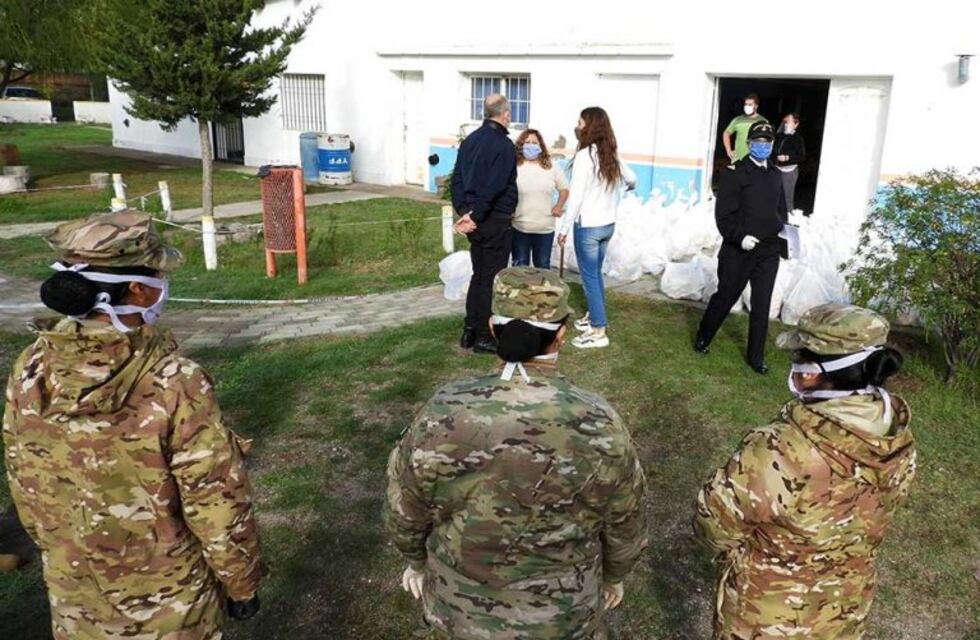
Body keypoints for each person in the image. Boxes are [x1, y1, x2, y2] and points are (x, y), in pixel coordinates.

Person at [2, 211, 262, 639]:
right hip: (170, 609)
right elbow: (217, 503)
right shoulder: (175, 382)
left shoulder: (31, 366)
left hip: (75, 596)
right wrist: (242, 583)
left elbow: (24, 481)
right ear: (140, 290)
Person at [384, 267, 648, 639]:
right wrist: (615, 577)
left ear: (493, 327)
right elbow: (626, 519)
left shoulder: (442, 412)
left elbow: (405, 506)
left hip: (460, 614)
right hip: (562, 616)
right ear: (561, 334)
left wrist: (415, 562)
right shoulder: (600, 421)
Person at [695, 303, 916, 640]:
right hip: (846, 609)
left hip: (766, 618)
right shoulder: (897, 436)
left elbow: (714, 524)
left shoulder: (780, 449)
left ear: (811, 371)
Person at [695, 120, 787, 374]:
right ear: (748, 145)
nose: (762, 147)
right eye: (757, 143)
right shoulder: (736, 173)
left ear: (771, 145)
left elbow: (781, 211)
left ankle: (755, 356)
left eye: (766, 143)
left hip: (768, 251)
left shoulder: (775, 174)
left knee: (762, 304)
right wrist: (739, 237)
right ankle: (704, 335)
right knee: (726, 295)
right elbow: (723, 215)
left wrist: (784, 236)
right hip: (739, 250)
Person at [556, 107, 636, 349]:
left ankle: (599, 330)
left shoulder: (585, 156)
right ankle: (593, 315)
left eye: (580, 122)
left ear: (589, 126)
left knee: (589, 277)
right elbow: (632, 179)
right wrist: (624, 190)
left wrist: (563, 229)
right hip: (607, 225)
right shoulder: (610, 153)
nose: (577, 126)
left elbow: (577, 197)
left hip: (589, 226)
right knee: (595, 274)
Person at [451, 93, 519, 354]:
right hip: (492, 219)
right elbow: (495, 186)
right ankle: (483, 335)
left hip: (475, 219)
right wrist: (475, 215)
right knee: (489, 278)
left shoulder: (470, 141)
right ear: (506, 114)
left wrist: (464, 211)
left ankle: (469, 330)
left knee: (479, 275)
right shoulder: (503, 145)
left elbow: (457, 179)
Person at [511, 128, 569, 268]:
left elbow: (564, 189)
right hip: (520, 227)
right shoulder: (514, 165)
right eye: (527, 142)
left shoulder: (551, 166)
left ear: (540, 146)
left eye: (534, 142)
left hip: (544, 228)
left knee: (542, 267)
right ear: (521, 145)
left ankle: (542, 291)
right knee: (520, 267)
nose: (531, 145)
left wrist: (558, 206)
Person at [773, 112, 806, 213]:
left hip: (789, 171)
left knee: (787, 197)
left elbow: (801, 157)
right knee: (774, 195)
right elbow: (773, 150)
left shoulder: (798, 139)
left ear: (796, 124)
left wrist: (787, 157)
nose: (787, 123)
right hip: (777, 169)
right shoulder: (779, 136)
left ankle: (788, 221)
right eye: (786, 121)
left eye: (790, 121)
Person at [722, 93, 768, 162]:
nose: (747, 106)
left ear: (756, 106)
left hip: (755, 161)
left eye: (750, 104)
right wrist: (728, 150)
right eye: (746, 104)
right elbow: (726, 133)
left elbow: (767, 141)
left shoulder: (763, 121)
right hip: (738, 159)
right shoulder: (737, 120)